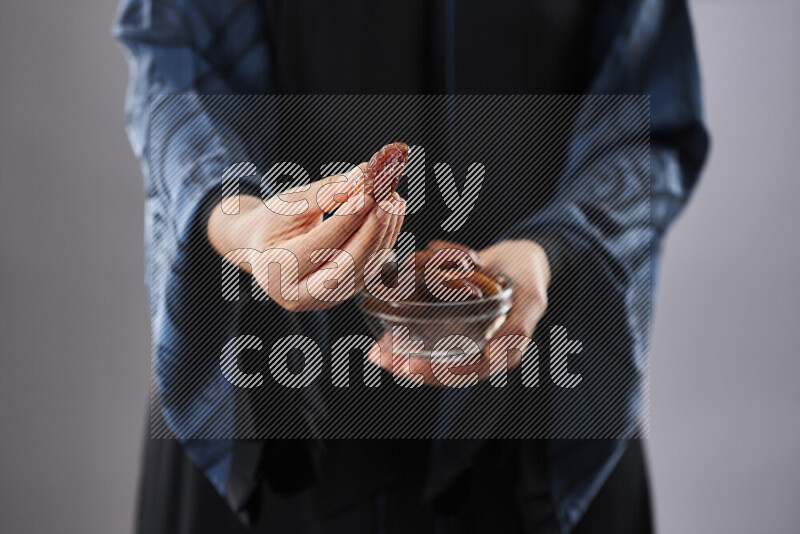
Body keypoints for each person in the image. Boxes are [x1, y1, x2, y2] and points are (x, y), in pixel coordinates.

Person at [114, 0, 708, 532]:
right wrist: (241, 221)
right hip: (264, 416)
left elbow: (649, 114)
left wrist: (550, 250)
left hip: (532, 425)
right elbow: (174, 53)